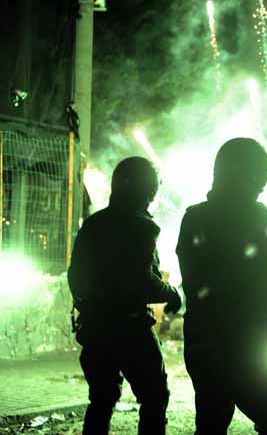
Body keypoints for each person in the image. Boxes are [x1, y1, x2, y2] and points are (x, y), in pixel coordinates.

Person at [176, 138, 267, 435]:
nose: (264, 182)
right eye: (262, 172)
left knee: (211, 424)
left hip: (202, 337)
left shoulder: (193, 217)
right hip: (247, 341)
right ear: (248, 174)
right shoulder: (254, 216)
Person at [68, 157, 181, 435]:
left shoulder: (93, 224)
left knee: (101, 401)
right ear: (148, 190)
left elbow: (75, 277)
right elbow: (143, 281)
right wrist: (172, 293)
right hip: (131, 330)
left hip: (95, 328)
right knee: (154, 397)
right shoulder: (141, 226)